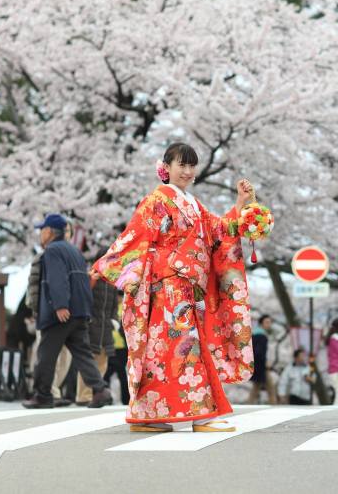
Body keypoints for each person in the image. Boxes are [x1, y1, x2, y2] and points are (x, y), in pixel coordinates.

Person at [94, 142, 256, 433]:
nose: (187, 171)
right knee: (183, 347)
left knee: (166, 353)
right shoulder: (157, 200)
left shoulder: (192, 203)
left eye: (191, 166)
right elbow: (136, 235)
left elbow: (218, 231)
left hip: (187, 286)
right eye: (181, 164)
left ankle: (148, 414)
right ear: (165, 168)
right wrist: (109, 266)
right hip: (167, 285)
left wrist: (241, 205)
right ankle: (200, 414)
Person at [23, 214, 112, 409]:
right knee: (82, 354)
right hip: (80, 312)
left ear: (48, 232)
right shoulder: (75, 251)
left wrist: (60, 305)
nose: (40, 234)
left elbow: (57, 278)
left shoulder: (52, 251)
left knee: (45, 354)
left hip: (61, 313)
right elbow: (81, 281)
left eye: (42, 230)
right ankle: (100, 390)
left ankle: (42, 395)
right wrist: (84, 310)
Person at [27, 243, 72, 406]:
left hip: (68, 315)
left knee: (65, 356)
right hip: (46, 314)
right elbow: (33, 286)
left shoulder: (71, 256)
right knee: (46, 354)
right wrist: (36, 310)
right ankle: (49, 391)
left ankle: (54, 389)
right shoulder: (41, 257)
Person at [77, 250, 117, 405]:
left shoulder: (112, 281)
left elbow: (114, 305)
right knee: (88, 362)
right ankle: (83, 396)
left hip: (106, 327)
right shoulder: (90, 277)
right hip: (91, 325)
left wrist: (114, 319)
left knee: (103, 363)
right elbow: (83, 297)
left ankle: (96, 394)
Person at [248, 314, 278, 404]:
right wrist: (265, 364)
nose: (269, 324)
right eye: (267, 322)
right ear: (261, 323)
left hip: (258, 365)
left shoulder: (255, 334)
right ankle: (274, 405)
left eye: (270, 322)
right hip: (261, 366)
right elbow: (259, 352)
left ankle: (250, 403)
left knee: (259, 386)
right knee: (269, 387)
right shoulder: (261, 336)